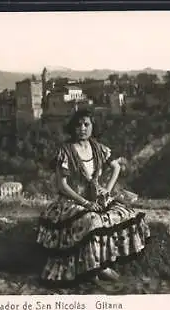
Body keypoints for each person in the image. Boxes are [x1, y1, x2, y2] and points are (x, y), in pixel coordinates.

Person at [36, 109, 151, 289]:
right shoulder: (66, 151)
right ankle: (95, 268)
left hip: (95, 198)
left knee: (124, 214)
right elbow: (62, 185)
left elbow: (116, 168)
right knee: (92, 220)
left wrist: (106, 190)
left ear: (92, 127)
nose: (82, 128)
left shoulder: (98, 148)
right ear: (73, 128)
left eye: (86, 124)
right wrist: (85, 203)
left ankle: (104, 262)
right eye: (78, 125)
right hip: (72, 201)